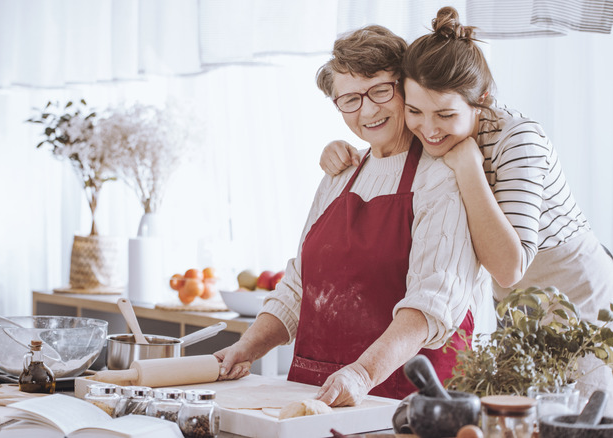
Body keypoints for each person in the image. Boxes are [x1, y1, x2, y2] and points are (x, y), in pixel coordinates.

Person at [319, 7, 613, 402]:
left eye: (445, 114)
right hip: (514, 306)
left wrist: (470, 167)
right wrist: (342, 151)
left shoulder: (518, 139)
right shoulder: (430, 129)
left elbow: (508, 267)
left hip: (576, 293)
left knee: (581, 416)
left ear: (482, 100)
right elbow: (387, 144)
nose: (428, 128)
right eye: (415, 111)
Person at [214, 25, 488, 406]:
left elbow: (432, 303)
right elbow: (299, 286)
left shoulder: (442, 176)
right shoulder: (339, 174)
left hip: (404, 401)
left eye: (380, 90)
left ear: (405, 88)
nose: (368, 110)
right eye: (350, 99)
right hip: (318, 394)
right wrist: (245, 349)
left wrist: (363, 373)